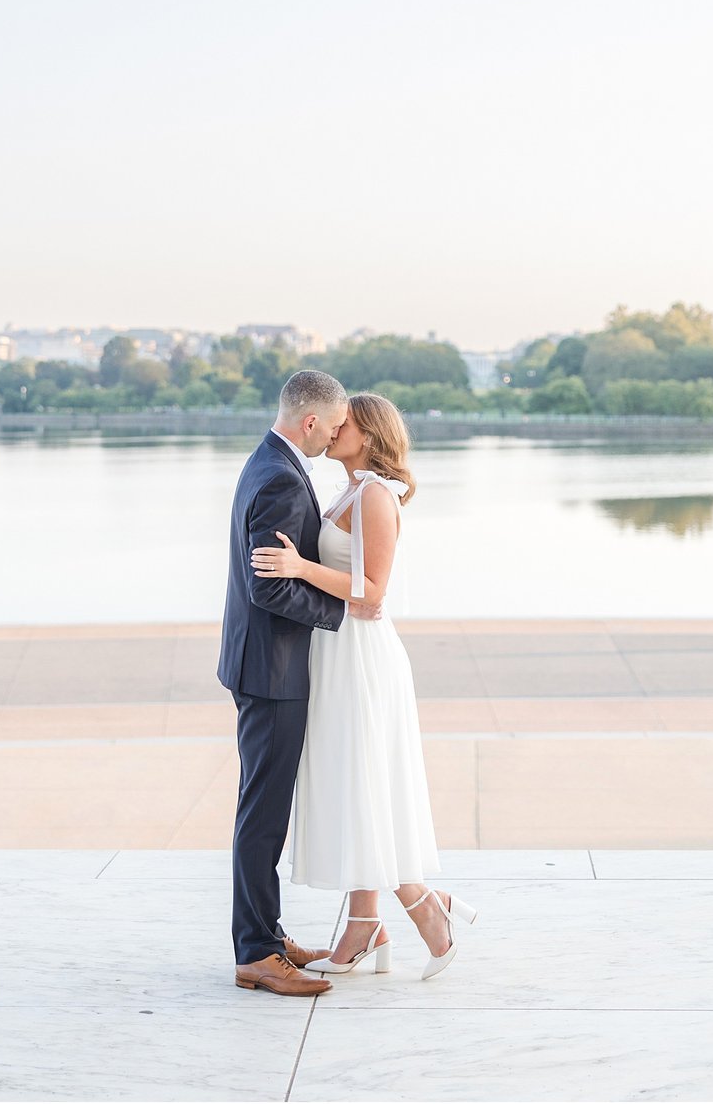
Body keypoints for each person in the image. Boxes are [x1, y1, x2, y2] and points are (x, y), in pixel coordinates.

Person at [251, 390, 477, 981]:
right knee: (354, 783)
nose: (333, 431)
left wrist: (300, 568)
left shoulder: (375, 495)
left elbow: (373, 591)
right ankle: (363, 927)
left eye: (344, 424)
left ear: (369, 435)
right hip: (335, 649)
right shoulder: (348, 490)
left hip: (361, 655)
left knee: (367, 782)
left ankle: (428, 912)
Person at [217, 369, 383, 997]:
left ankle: (265, 932)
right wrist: (343, 614)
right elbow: (270, 585)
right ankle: (257, 951)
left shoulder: (265, 460)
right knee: (263, 814)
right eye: (335, 425)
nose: (338, 434)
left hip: (257, 661)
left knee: (260, 808)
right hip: (273, 669)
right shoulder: (284, 479)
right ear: (310, 422)